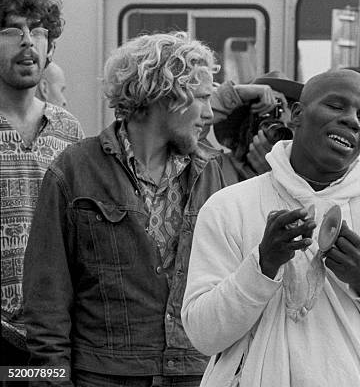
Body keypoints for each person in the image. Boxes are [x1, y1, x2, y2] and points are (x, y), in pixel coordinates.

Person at [182, 69, 360, 387]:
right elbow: (203, 335)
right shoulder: (229, 206)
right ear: (297, 115)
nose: (351, 120)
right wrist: (262, 265)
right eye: (336, 106)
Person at [22, 32, 226, 386]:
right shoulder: (73, 171)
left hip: (196, 373)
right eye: (202, 99)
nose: (209, 114)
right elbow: (46, 303)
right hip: (104, 375)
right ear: (167, 94)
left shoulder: (211, 173)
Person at [0, 0, 83, 370]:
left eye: (37, 32)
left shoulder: (70, 131)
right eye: (13, 31)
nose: (28, 42)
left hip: (53, 334)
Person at [210, 71, 303, 185]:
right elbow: (186, 120)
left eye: (291, 127)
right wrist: (234, 94)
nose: (283, 134)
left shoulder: (304, 180)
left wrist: (276, 174)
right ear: (247, 126)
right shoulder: (215, 170)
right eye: (272, 124)